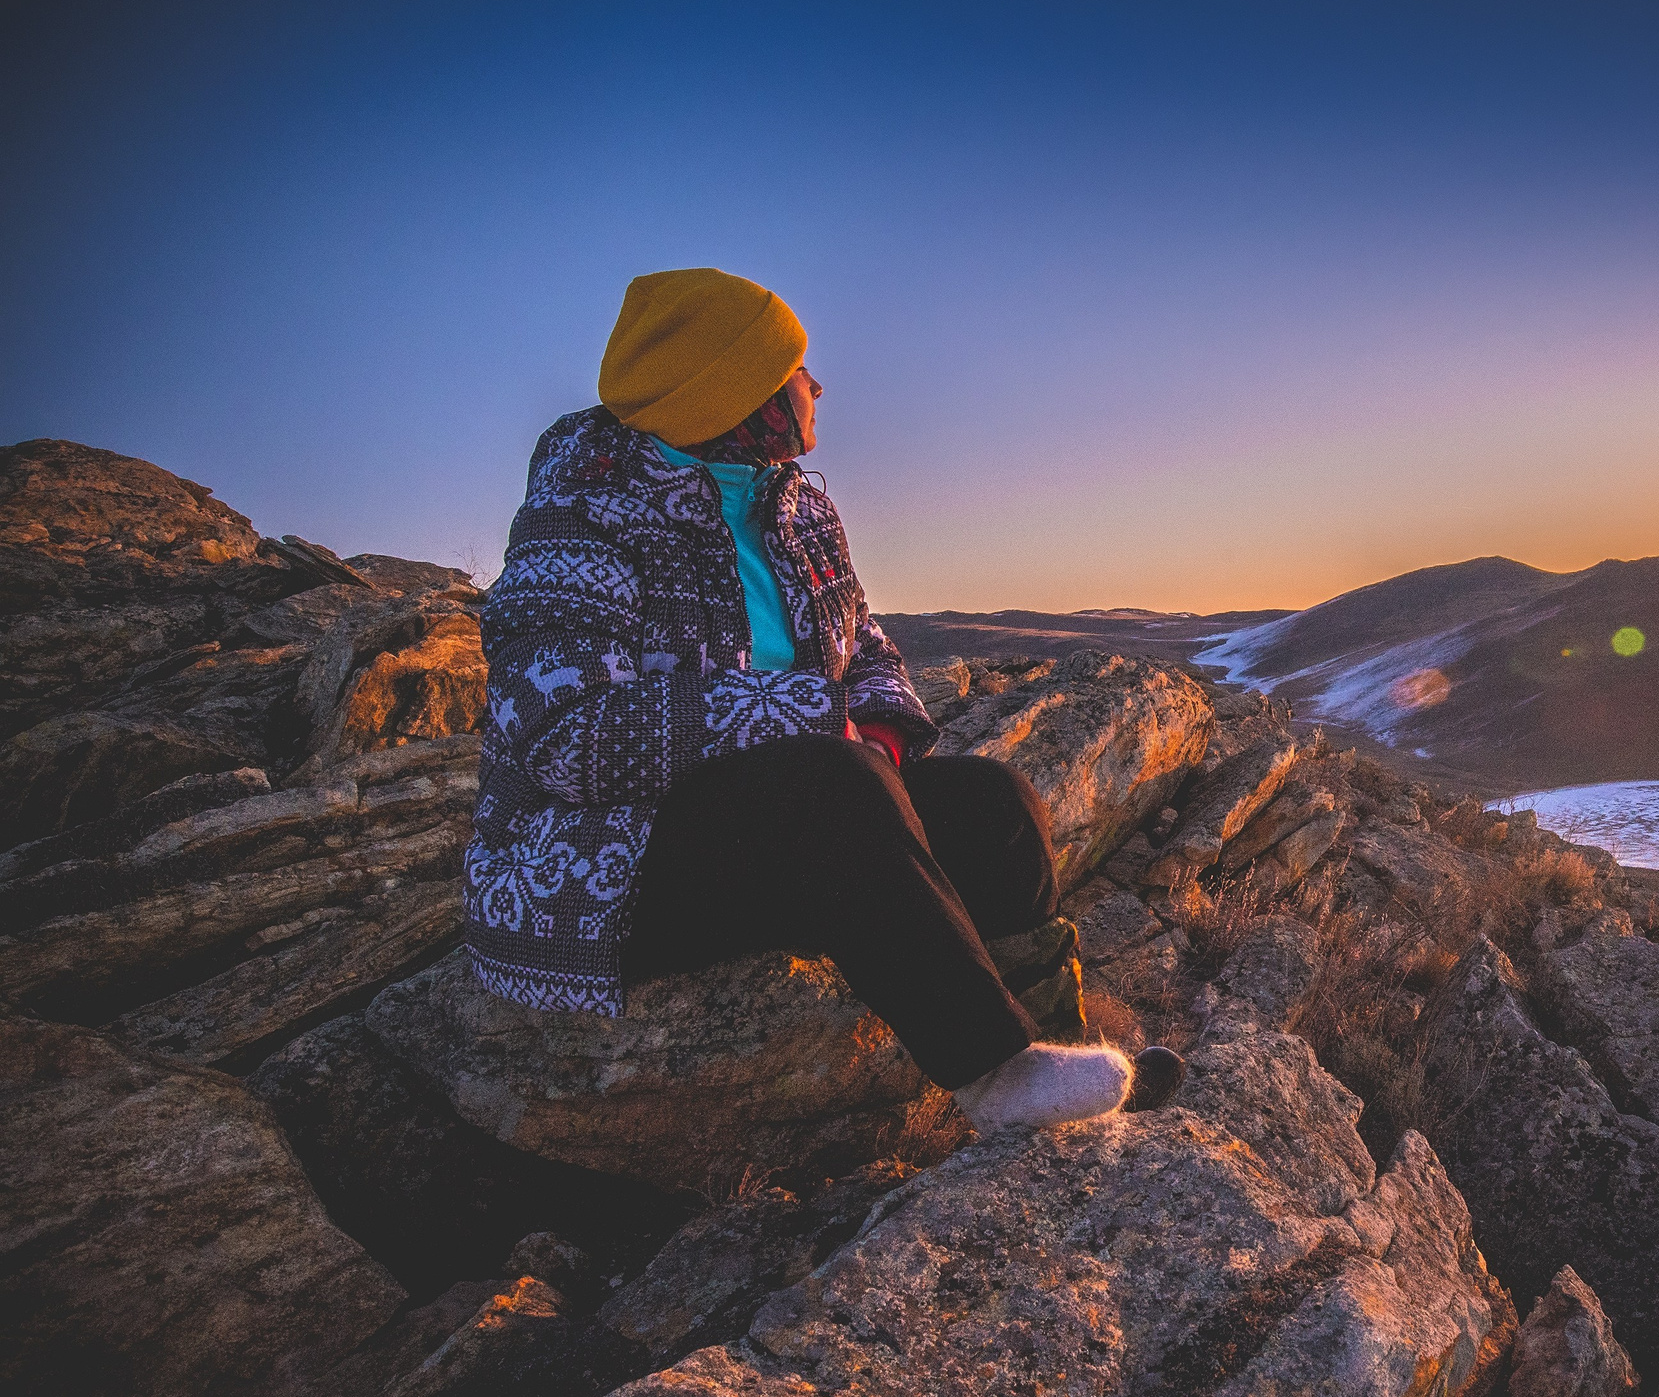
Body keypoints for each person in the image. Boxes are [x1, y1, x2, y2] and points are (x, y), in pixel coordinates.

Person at [463, 268, 1175, 1130]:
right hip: (602, 859)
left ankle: (1058, 1051)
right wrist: (806, 717)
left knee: (996, 805)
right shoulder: (581, 513)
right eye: (795, 367)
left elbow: (863, 640)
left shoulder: (795, 507)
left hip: (788, 817)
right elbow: (562, 733)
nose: (817, 385)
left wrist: (875, 726)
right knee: (832, 787)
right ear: (736, 389)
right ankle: (995, 1074)